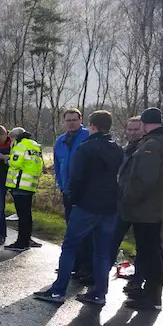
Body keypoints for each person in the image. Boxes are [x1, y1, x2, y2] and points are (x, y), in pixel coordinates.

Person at [33, 110, 123, 305]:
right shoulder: (117, 148)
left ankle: (58, 291)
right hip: (110, 206)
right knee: (101, 251)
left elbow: (76, 178)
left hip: (87, 205)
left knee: (69, 246)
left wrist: (74, 199)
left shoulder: (86, 147)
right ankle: (99, 293)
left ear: (91, 125)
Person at [119, 107, 163, 311]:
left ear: (144, 123)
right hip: (152, 208)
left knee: (150, 252)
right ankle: (149, 291)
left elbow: (144, 181)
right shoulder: (162, 141)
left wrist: (127, 200)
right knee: (149, 250)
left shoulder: (152, 145)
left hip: (145, 209)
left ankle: (153, 298)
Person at [54, 108, 94, 284]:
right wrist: (62, 186)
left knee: (85, 232)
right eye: (68, 120)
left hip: (86, 193)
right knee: (71, 231)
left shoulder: (87, 137)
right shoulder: (61, 141)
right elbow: (57, 165)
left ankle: (86, 266)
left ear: (80, 120)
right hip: (68, 192)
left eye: (74, 120)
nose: (71, 123)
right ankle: (74, 264)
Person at [110, 116, 145, 292]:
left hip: (140, 205)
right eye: (129, 129)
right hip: (120, 203)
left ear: (143, 130)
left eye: (136, 129)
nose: (132, 133)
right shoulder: (124, 150)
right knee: (112, 239)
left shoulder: (146, 150)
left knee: (142, 245)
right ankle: (100, 276)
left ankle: (137, 280)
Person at [3, 127, 43, 252]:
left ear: (14, 137)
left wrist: (7, 159)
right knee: (27, 214)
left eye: (11, 139)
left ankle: (21, 242)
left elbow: (16, 163)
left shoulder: (20, 145)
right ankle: (27, 239)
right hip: (30, 183)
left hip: (19, 184)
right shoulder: (34, 145)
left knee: (22, 215)